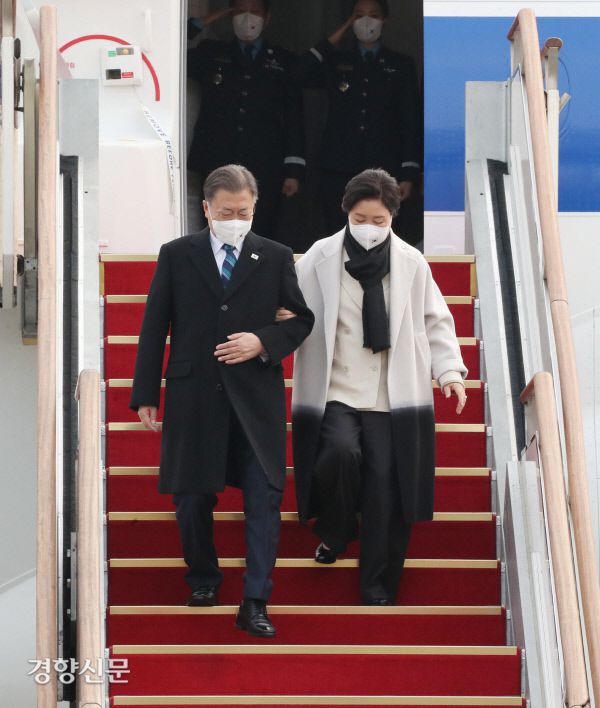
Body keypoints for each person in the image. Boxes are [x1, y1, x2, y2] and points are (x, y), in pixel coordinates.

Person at [129, 164, 314, 636]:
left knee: (264, 496)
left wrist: (262, 341)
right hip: (194, 395)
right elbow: (155, 323)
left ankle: (255, 601)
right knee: (191, 496)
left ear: (255, 208)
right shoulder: (177, 254)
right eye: (227, 212)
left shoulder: (274, 256)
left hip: (255, 396)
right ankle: (203, 579)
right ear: (207, 209)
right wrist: (146, 392)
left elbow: (301, 320)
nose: (236, 220)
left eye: (244, 212)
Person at [283, 168, 467, 605]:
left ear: (392, 218)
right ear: (346, 213)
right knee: (339, 453)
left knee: (385, 485)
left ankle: (377, 588)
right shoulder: (320, 256)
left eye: (378, 221)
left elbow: (435, 321)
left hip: (391, 392)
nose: (369, 228)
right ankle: (337, 530)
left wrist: (450, 373)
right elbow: (289, 303)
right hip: (336, 386)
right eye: (360, 219)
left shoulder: (411, 262)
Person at [293, 0, 422, 235]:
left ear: (384, 20)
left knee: (380, 232)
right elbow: (299, 73)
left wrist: (408, 174)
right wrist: (338, 34)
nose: (366, 21)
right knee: (338, 232)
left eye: (373, 15)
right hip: (338, 166)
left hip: (384, 166)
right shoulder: (337, 61)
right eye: (359, 15)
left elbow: (410, 119)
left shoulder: (400, 65)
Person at [186, 0, 306, 241]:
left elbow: (293, 116)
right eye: (240, 11)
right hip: (217, 156)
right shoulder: (212, 53)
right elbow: (171, 52)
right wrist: (206, 20)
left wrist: (293, 170)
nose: (247, 18)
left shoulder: (283, 61)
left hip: (265, 161)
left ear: (267, 18)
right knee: (216, 226)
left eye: (255, 12)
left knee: (261, 228)